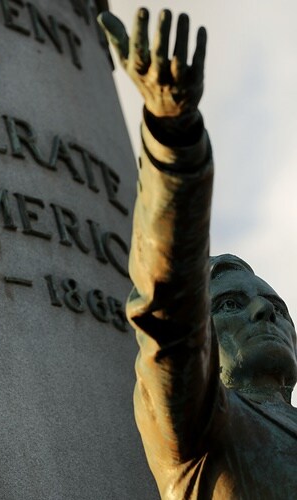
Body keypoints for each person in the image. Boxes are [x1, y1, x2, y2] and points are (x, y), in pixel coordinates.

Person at [98, 8, 297, 499]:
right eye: (230, 304)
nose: (260, 310)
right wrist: (174, 139)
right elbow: (170, 311)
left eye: (276, 308)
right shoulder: (202, 426)